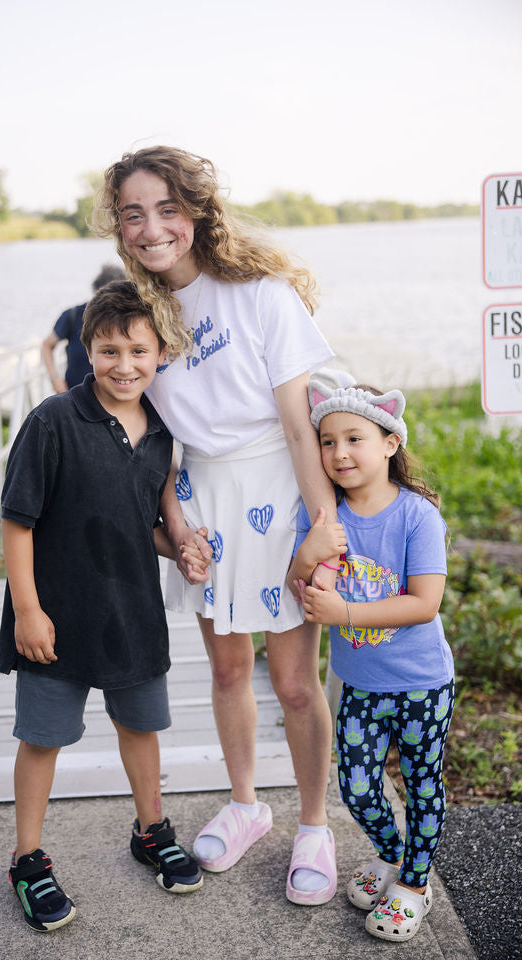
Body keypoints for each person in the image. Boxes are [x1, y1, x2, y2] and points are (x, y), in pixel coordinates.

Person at [94, 145, 340, 905]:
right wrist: (174, 524)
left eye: (167, 208)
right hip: (204, 502)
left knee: (295, 683)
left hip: (280, 489)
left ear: (197, 212)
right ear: (119, 228)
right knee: (229, 671)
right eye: (133, 213)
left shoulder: (262, 294)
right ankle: (245, 806)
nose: (152, 227)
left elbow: (301, 429)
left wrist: (322, 528)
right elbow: (162, 443)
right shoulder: (142, 314)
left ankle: (312, 825)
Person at [0, 280, 207, 933]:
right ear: (87, 349)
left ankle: (151, 830)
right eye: (109, 350)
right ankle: (28, 859)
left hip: (131, 612)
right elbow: (18, 522)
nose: (124, 365)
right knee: (42, 738)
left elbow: (145, 522)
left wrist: (183, 549)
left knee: (141, 728)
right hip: (54, 614)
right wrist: (27, 610)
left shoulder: (164, 433)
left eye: (138, 351)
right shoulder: (54, 420)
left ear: (161, 352)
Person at [288, 380, 454, 943]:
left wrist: (345, 612)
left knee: (421, 782)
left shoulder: (416, 517)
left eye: (354, 438)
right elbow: (308, 594)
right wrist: (309, 557)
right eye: (327, 441)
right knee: (357, 787)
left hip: (420, 683)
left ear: (389, 443)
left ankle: (413, 885)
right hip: (358, 683)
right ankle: (394, 856)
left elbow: (424, 603)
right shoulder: (328, 518)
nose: (339, 453)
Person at [41, 263, 125, 392]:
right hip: (74, 396)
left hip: (111, 397)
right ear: (97, 291)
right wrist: (55, 379)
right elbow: (47, 345)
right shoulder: (73, 315)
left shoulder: (126, 319)